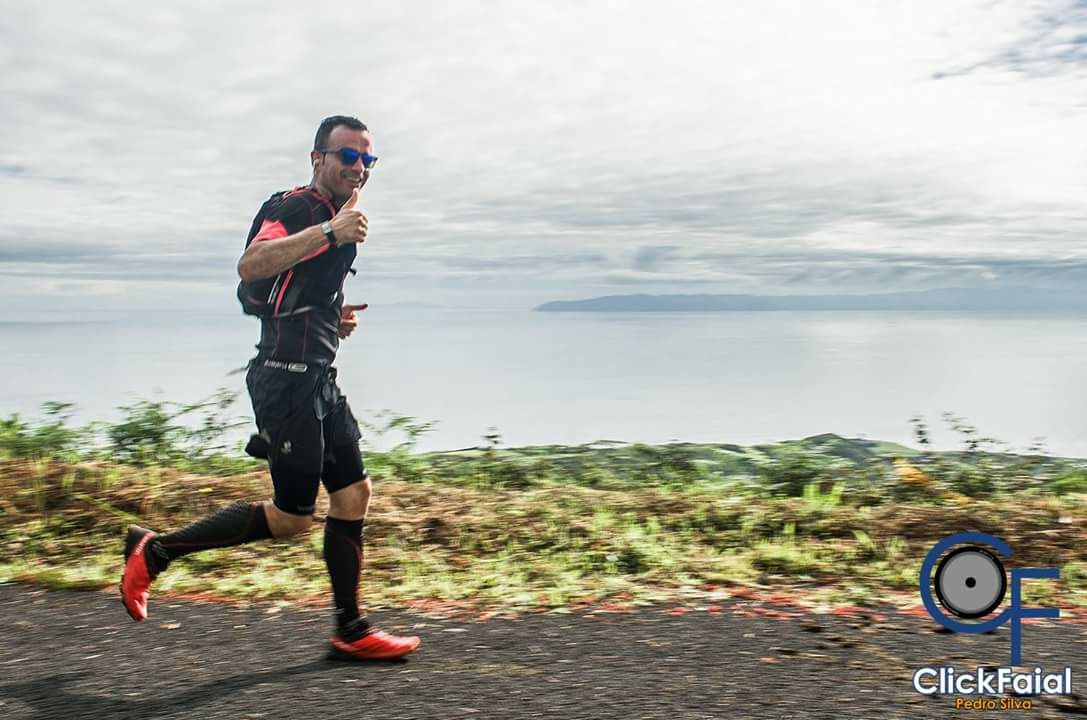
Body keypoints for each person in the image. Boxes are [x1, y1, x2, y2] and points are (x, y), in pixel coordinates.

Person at [120, 115, 420, 661]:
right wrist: (329, 233)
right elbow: (251, 266)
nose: (359, 168)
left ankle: (351, 630)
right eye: (348, 156)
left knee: (355, 495)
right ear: (318, 159)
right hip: (285, 380)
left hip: (317, 376)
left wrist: (334, 314)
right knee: (291, 519)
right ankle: (155, 551)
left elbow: (292, 291)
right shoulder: (301, 208)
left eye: (367, 159)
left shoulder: (333, 213)